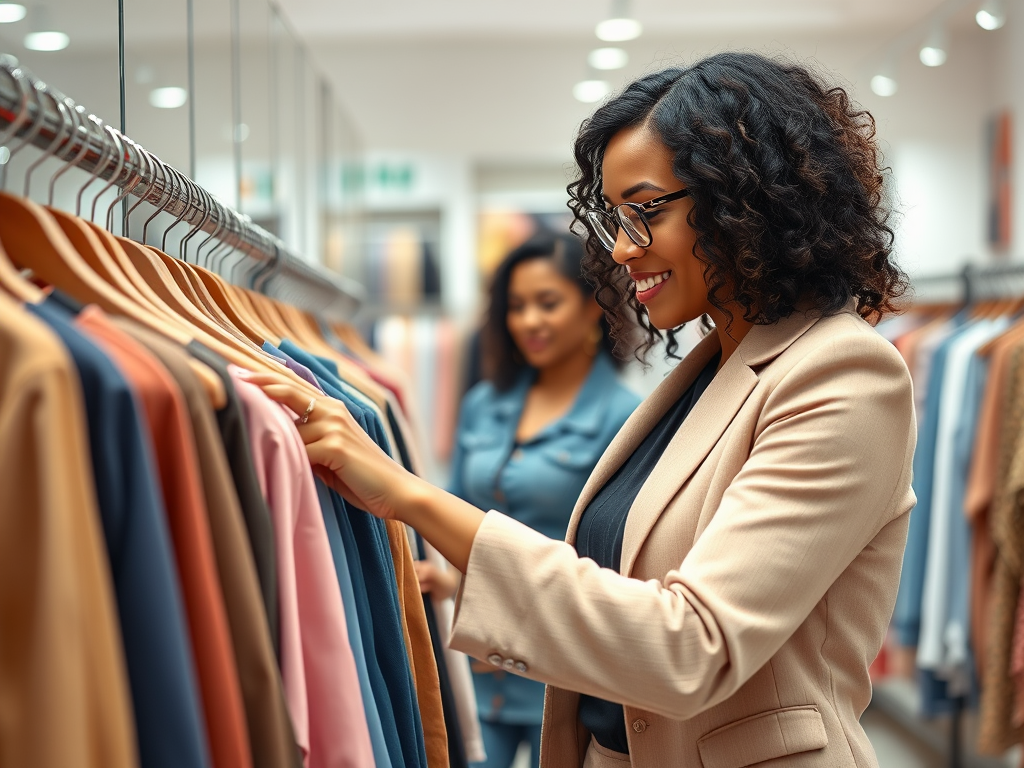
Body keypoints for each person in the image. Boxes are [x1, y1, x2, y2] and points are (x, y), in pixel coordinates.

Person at [246, 52, 916, 768]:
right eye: (614, 218)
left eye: (647, 211)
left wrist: (411, 499)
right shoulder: (706, 372)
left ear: (745, 198)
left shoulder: (841, 375)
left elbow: (689, 646)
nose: (624, 249)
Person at [416, 232, 641, 768]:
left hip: (560, 673)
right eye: (516, 307)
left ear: (593, 308)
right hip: (475, 661)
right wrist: (447, 577)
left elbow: (615, 557)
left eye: (548, 303)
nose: (529, 322)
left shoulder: (627, 419)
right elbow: (460, 510)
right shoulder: (483, 403)